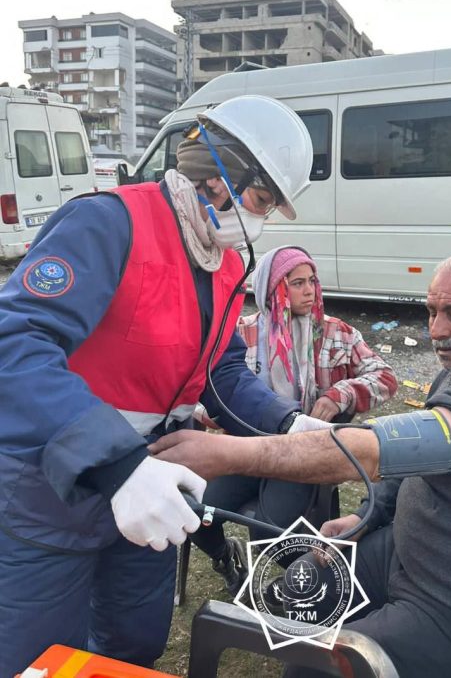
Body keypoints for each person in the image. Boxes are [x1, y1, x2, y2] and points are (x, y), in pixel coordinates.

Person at [0, 94, 320, 677]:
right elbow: (17, 343)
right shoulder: (108, 223)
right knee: (40, 660)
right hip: (58, 486)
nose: (262, 221)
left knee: (135, 641)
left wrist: (291, 424)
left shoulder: (223, 263)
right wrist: (118, 466)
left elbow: (221, 371)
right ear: (220, 176)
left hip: (155, 481)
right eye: (261, 200)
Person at [151, 252, 451, 678]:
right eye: (432, 312)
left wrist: (225, 453)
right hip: (407, 554)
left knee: (316, 666)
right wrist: (364, 515)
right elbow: (413, 465)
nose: (436, 330)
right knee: (303, 587)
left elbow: (372, 452)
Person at [190, 245, 397, 594]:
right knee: (198, 511)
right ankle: (226, 558)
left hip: (303, 453)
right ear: (272, 290)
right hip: (245, 450)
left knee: (269, 532)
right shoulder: (243, 333)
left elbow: (385, 376)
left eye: (312, 281)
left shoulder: (336, 333)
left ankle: (314, 581)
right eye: (297, 283)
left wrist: (338, 395)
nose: (309, 290)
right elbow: (209, 391)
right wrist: (214, 415)